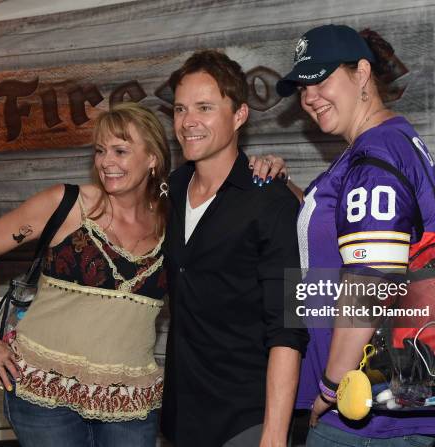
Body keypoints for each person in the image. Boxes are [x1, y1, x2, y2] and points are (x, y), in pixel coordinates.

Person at [275, 25, 435, 446]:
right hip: (383, 403)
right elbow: (349, 231)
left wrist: (330, 388)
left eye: (321, 79)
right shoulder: (386, 145)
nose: (310, 97)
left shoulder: (375, 156)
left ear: (361, 73)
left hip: (366, 412)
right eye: (302, 87)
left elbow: (370, 283)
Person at [0, 102, 171, 447]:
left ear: (153, 159)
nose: (106, 162)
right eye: (100, 151)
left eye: (120, 150)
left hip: (128, 402)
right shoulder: (68, 204)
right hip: (44, 396)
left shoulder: (173, 220)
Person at [160, 49, 310, 447]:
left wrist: (275, 435)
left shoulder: (270, 201)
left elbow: (289, 327)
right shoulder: (169, 192)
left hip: (247, 419)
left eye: (204, 107)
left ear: (240, 115)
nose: (188, 121)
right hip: (182, 415)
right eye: (179, 109)